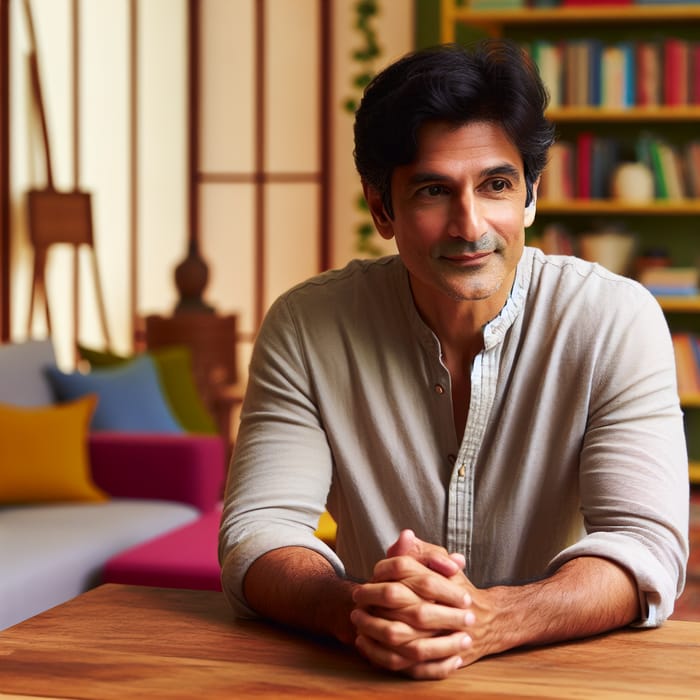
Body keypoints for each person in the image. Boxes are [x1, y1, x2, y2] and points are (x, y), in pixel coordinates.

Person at [218, 40, 689, 680]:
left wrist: (493, 617)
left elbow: (646, 546)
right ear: (382, 207)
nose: (470, 226)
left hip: (560, 676)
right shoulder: (307, 327)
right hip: (369, 670)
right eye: (434, 191)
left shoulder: (614, 320)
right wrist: (356, 610)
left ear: (530, 194)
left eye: (496, 184)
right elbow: (258, 531)